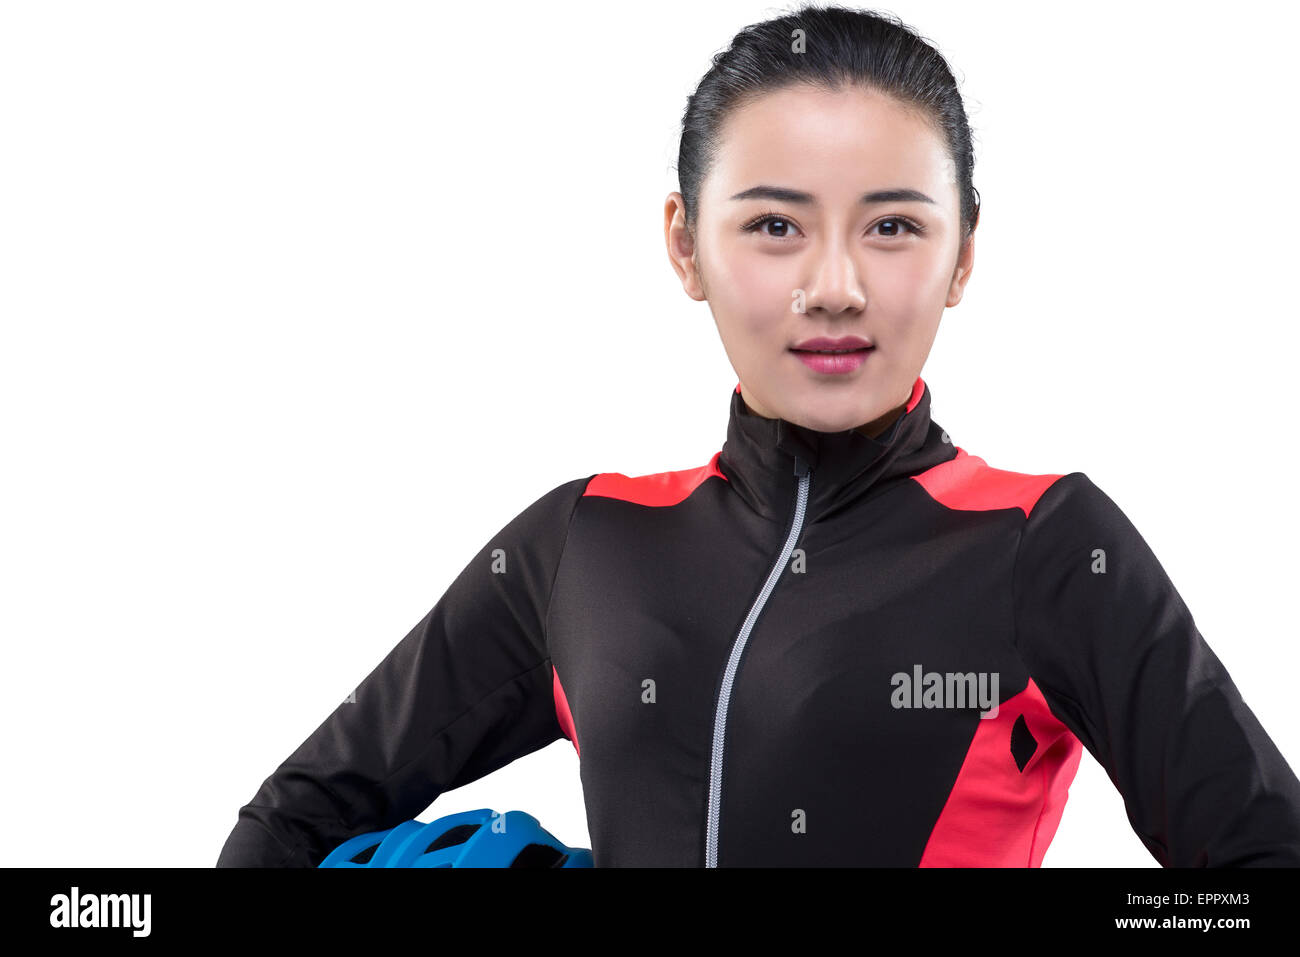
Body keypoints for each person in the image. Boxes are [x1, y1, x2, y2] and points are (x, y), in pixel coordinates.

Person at [217, 3, 1300, 868]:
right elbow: (290, 822)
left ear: (963, 254)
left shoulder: (1046, 543)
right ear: (685, 247)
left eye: (892, 227)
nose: (833, 288)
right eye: (774, 226)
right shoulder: (583, 544)